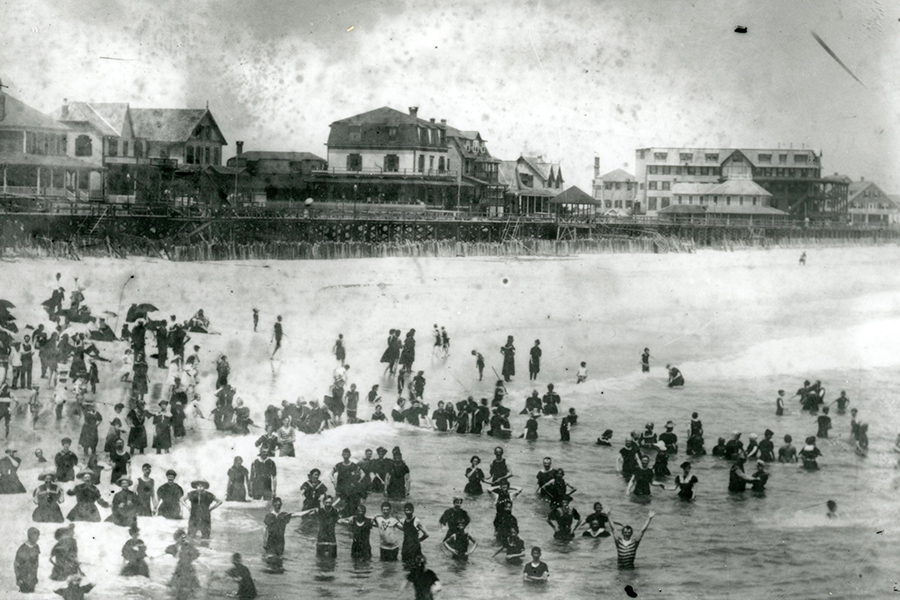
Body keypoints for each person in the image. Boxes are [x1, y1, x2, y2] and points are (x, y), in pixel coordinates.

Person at [166, 529, 200, 600]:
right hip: (182, 566)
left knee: (186, 587)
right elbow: (168, 549)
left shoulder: (187, 545)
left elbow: (196, 553)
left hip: (185, 566)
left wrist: (188, 559)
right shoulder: (177, 545)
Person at [333, 448, 365, 515]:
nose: (345, 455)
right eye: (344, 454)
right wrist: (334, 482)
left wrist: (358, 481)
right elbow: (330, 474)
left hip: (351, 488)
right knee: (339, 503)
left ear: (350, 455)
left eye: (347, 454)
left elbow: (363, 474)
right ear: (342, 455)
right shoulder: (339, 465)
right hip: (341, 488)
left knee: (352, 504)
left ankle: (351, 517)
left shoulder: (353, 465)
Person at [15, 527, 41, 592]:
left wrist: (35, 577)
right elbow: (16, 564)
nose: (38, 538)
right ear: (30, 536)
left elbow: (36, 563)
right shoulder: (22, 549)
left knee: (32, 592)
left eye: (38, 536)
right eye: (36, 536)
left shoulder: (36, 547)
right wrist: (18, 578)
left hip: (32, 580)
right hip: (23, 580)